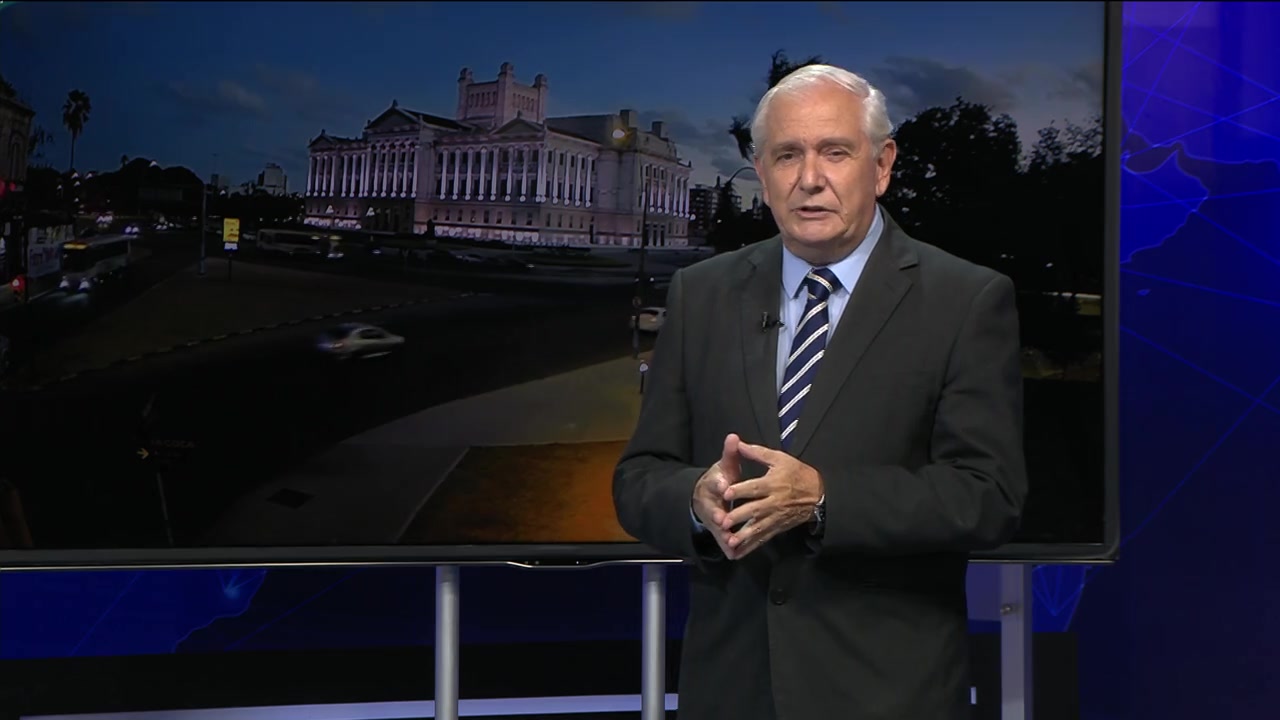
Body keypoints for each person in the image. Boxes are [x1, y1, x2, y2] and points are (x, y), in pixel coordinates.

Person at [612, 63, 1028, 720]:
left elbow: (989, 494)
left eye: (835, 152)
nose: (809, 178)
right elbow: (639, 478)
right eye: (787, 155)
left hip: (889, 696)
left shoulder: (965, 300)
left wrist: (823, 500)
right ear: (762, 172)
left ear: (882, 166)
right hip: (733, 693)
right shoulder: (702, 294)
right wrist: (694, 501)